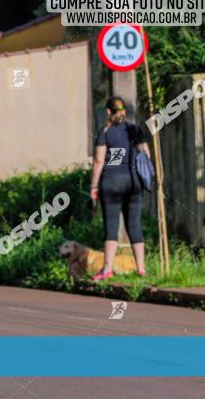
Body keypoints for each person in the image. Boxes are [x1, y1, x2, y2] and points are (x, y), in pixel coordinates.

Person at [90, 96, 150, 280]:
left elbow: (99, 160)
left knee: (112, 227)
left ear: (108, 111)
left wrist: (93, 186)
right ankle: (141, 269)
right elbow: (146, 155)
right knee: (134, 226)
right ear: (124, 111)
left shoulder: (104, 132)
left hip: (111, 182)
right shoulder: (134, 129)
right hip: (133, 183)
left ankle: (107, 269)